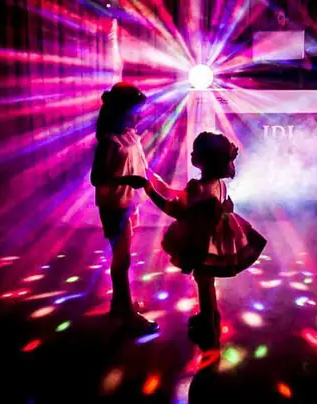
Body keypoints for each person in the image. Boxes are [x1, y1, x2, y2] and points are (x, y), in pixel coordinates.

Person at [125, 132, 267, 350]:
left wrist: (148, 189)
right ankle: (211, 321)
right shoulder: (219, 183)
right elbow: (185, 196)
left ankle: (208, 329)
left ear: (205, 159)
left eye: (195, 152)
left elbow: (173, 209)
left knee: (204, 283)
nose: (191, 155)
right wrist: (154, 181)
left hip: (202, 242)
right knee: (208, 283)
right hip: (216, 241)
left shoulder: (196, 187)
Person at [89, 82, 158, 335]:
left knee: (124, 257)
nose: (139, 116)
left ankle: (120, 303)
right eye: (134, 112)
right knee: (122, 259)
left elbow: (141, 166)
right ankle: (126, 313)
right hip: (115, 206)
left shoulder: (130, 135)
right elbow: (97, 178)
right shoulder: (110, 141)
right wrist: (127, 180)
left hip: (128, 203)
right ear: (121, 112)